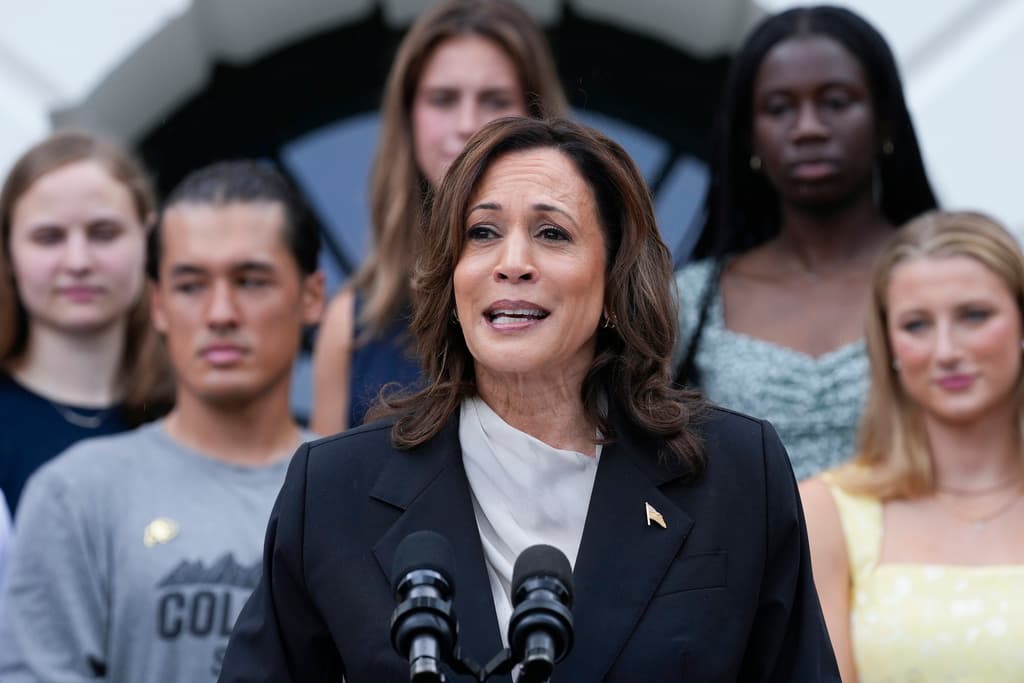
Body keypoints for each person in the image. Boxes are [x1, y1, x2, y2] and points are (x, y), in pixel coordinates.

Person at [219, 118, 839, 682]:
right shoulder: (332, 490)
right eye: (482, 233)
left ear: (614, 274)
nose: (512, 263)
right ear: (451, 274)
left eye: (552, 233)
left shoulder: (736, 473)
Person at [0, 161, 324, 683]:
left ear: (311, 296)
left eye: (251, 280)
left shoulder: (364, 494)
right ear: (157, 304)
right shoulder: (76, 493)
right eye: (191, 285)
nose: (221, 312)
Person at [673, 5, 938, 480]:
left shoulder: (954, 276)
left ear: (884, 121)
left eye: (836, 102)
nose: (809, 128)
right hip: (748, 556)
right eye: (779, 108)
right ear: (749, 136)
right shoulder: (693, 301)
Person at [310, 0, 568, 435]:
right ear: (409, 119)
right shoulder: (354, 320)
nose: (467, 124)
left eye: (494, 99)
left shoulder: (586, 294)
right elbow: (323, 497)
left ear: (536, 116)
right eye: (443, 99)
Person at [801, 211, 1024, 682]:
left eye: (974, 315)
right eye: (917, 325)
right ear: (889, 347)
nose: (946, 351)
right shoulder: (828, 511)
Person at [0, 131, 171, 513]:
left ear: (146, 236)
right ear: (9, 250)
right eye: (48, 238)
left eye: (104, 233)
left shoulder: (190, 414)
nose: (78, 262)